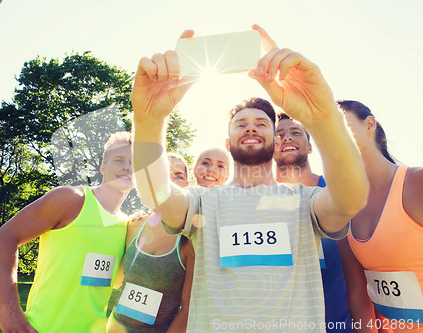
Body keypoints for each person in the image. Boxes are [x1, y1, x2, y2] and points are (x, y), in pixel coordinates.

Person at [131, 24, 369, 332]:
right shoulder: (203, 202)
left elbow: (351, 199)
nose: (252, 127)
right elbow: (158, 196)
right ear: (228, 143)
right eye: (241, 123)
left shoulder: (303, 201)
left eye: (262, 123)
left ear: (275, 139)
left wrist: (322, 116)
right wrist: (149, 120)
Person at [0, 131, 134, 333]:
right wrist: (9, 309)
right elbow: (4, 238)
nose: (128, 167)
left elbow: (116, 282)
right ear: (103, 167)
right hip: (41, 328)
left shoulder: (128, 225)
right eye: (119, 160)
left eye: (135, 163)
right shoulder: (71, 199)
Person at [336, 100, 423, 333]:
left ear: (370, 125)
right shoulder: (342, 208)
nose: (331, 134)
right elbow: (359, 297)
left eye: (339, 124)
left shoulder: (417, 183)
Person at [273, 112, 353, 333]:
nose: (287, 137)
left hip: (339, 325)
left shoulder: (338, 192)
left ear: (309, 146)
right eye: (278, 135)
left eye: (296, 132)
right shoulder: (259, 201)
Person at [107, 152, 195, 333]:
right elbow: (115, 282)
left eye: (178, 176)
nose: (170, 182)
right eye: (164, 175)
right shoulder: (132, 225)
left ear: (187, 184)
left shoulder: (189, 239)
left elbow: (188, 309)